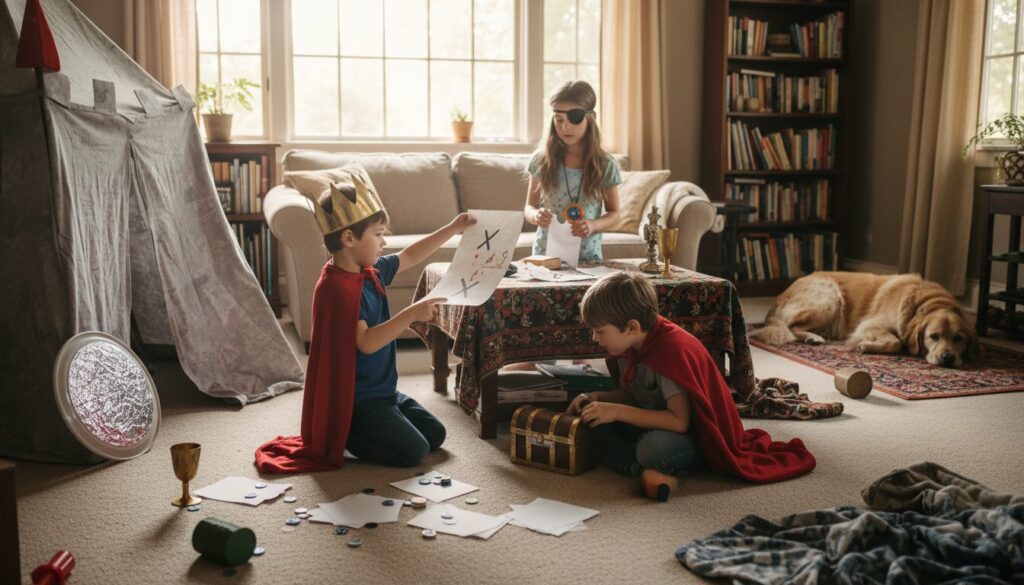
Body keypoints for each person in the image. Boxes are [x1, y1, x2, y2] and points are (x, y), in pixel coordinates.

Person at [255, 163, 475, 472]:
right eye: (379, 234)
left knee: (435, 435)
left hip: (386, 393)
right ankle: (349, 435)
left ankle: (382, 424)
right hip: (358, 403)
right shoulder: (338, 288)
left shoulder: (368, 272)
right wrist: (410, 314)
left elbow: (410, 255)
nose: (384, 242)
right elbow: (367, 342)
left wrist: (452, 228)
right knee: (415, 451)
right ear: (348, 239)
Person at [569, 272, 816, 501]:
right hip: (655, 418)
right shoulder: (626, 347)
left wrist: (616, 412)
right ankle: (638, 470)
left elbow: (679, 422)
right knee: (590, 422)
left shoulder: (669, 353)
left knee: (651, 450)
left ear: (632, 327)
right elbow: (636, 395)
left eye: (599, 331)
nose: (594, 338)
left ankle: (641, 464)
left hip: (695, 435)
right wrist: (599, 397)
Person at [524, 80, 623, 265]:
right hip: (545, 257)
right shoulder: (541, 161)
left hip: (588, 259)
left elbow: (615, 213)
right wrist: (535, 215)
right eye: (559, 120)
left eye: (573, 119)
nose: (565, 127)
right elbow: (529, 207)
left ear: (590, 118)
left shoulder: (604, 164)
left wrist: (593, 225)